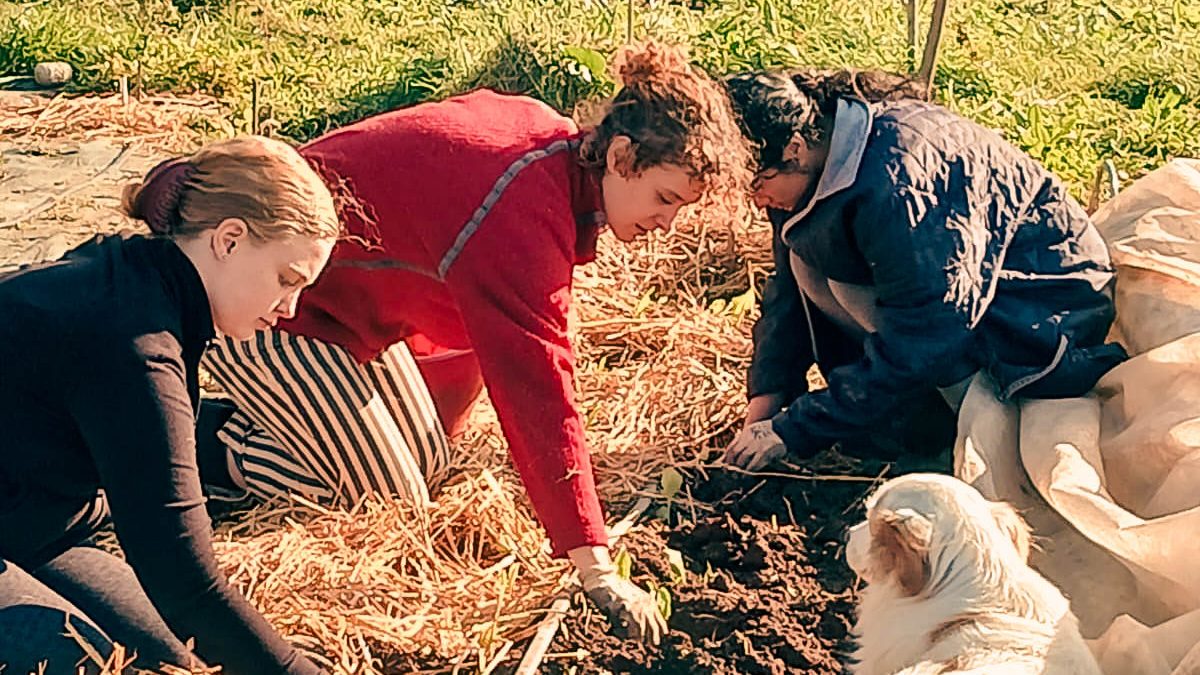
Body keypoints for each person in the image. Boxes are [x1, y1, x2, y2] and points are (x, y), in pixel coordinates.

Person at [198, 42, 751, 643]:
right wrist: (593, 561)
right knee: (376, 491)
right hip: (254, 305)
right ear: (620, 156)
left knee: (429, 464)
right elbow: (537, 384)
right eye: (665, 198)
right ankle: (204, 442)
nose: (666, 223)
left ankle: (280, 418)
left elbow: (469, 335)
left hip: (345, 318)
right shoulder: (520, 208)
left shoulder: (550, 154)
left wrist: (431, 432)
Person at [0, 136, 340, 675]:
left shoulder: (144, 282)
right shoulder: (133, 342)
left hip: (41, 528)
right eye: (285, 279)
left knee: (176, 661)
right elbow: (184, 579)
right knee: (97, 667)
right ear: (229, 240)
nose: (291, 308)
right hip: (28, 524)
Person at [721, 69, 1127, 472]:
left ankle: (967, 432)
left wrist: (801, 426)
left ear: (793, 148)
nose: (756, 203)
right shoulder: (812, 166)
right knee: (806, 264)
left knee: (849, 290)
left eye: (756, 184)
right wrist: (767, 401)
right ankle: (909, 412)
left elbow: (930, 328)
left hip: (1046, 304)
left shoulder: (899, 186)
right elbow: (786, 294)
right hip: (955, 299)